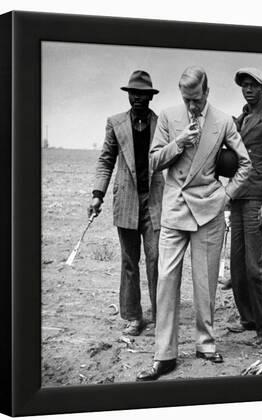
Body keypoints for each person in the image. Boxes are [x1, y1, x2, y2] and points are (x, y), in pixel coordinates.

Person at [136, 66, 251, 381]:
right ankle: (164, 355)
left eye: (196, 99)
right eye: (186, 99)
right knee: (166, 284)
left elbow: (245, 163)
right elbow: (153, 161)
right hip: (174, 210)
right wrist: (180, 143)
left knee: (205, 283)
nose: (191, 106)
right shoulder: (168, 117)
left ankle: (205, 343)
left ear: (207, 93)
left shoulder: (224, 121)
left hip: (209, 210)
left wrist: (226, 196)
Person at [88, 70, 163, 336]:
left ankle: (160, 316)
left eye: (143, 93)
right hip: (127, 202)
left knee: (156, 259)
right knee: (130, 261)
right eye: (134, 93)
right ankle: (133, 317)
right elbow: (106, 160)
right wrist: (98, 193)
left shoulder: (161, 123)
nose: (138, 98)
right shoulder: (115, 123)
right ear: (129, 95)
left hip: (154, 202)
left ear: (150, 97)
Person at [226, 68, 262, 346]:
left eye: (253, 85)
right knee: (238, 266)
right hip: (238, 197)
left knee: (258, 266)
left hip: (258, 200)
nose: (248, 89)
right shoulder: (242, 118)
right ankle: (249, 318)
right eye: (244, 85)